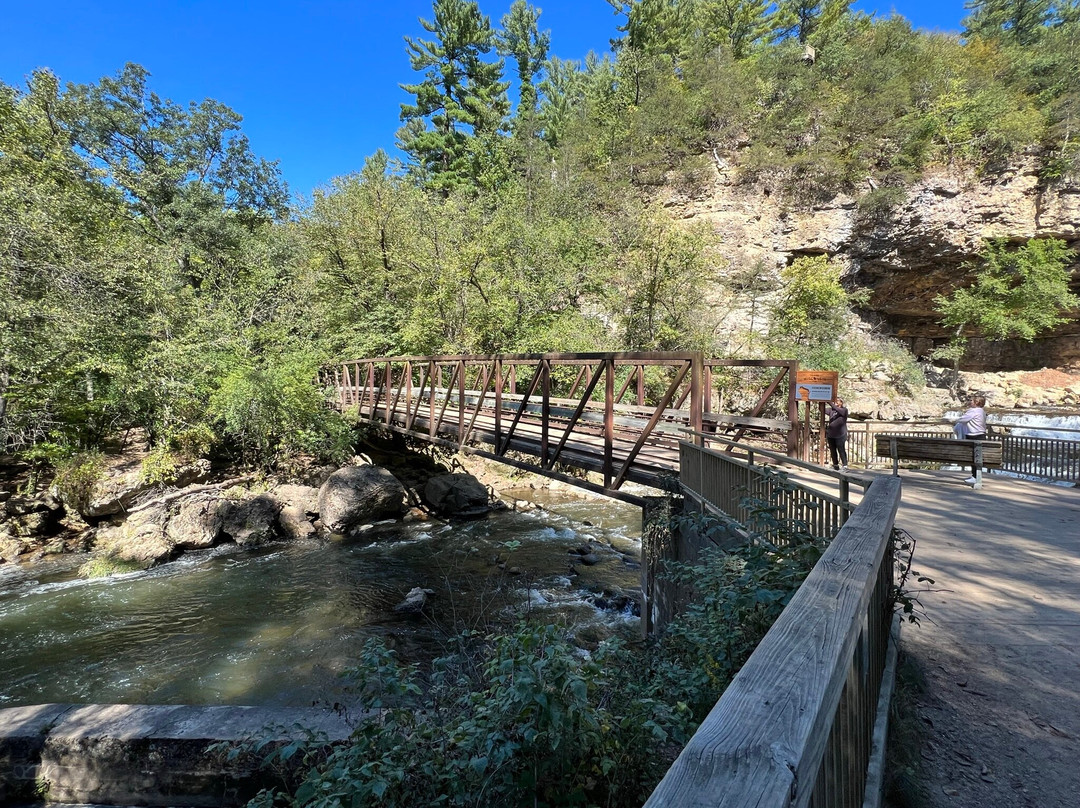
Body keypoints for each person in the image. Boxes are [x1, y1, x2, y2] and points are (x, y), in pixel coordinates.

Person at [952, 396, 987, 485]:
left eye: (971, 400)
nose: (969, 402)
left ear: (976, 402)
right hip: (981, 435)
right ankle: (976, 476)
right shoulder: (982, 411)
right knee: (978, 458)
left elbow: (962, 419)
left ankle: (975, 477)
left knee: (973, 458)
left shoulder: (973, 411)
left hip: (973, 436)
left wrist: (956, 422)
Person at [826, 398, 849, 471]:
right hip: (831, 434)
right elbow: (822, 410)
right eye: (834, 401)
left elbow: (837, 409)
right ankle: (835, 465)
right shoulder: (831, 410)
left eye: (837, 401)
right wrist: (820, 401)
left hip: (840, 434)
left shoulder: (844, 410)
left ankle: (845, 466)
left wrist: (830, 403)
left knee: (841, 449)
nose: (835, 402)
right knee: (833, 450)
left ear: (841, 403)